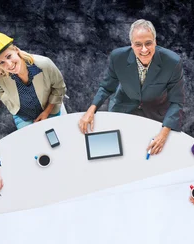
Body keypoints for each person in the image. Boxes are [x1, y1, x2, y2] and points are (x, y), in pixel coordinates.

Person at [78, 19, 185, 155]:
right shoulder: (118, 57)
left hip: (155, 111)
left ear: (155, 42)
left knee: (150, 155)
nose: (144, 49)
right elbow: (106, 87)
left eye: (148, 43)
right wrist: (91, 110)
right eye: (138, 44)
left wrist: (163, 134)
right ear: (132, 45)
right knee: (115, 152)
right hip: (123, 106)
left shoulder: (172, 62)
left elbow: (177, 101)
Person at [0, 32, 66, 130]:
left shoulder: (44, 64)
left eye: (9, 56)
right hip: (24, 118)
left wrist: (46, 112)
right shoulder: (0, 78)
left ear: (16, 50)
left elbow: (59, 89)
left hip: (50, 108)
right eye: (1, 62)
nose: (9, 64)